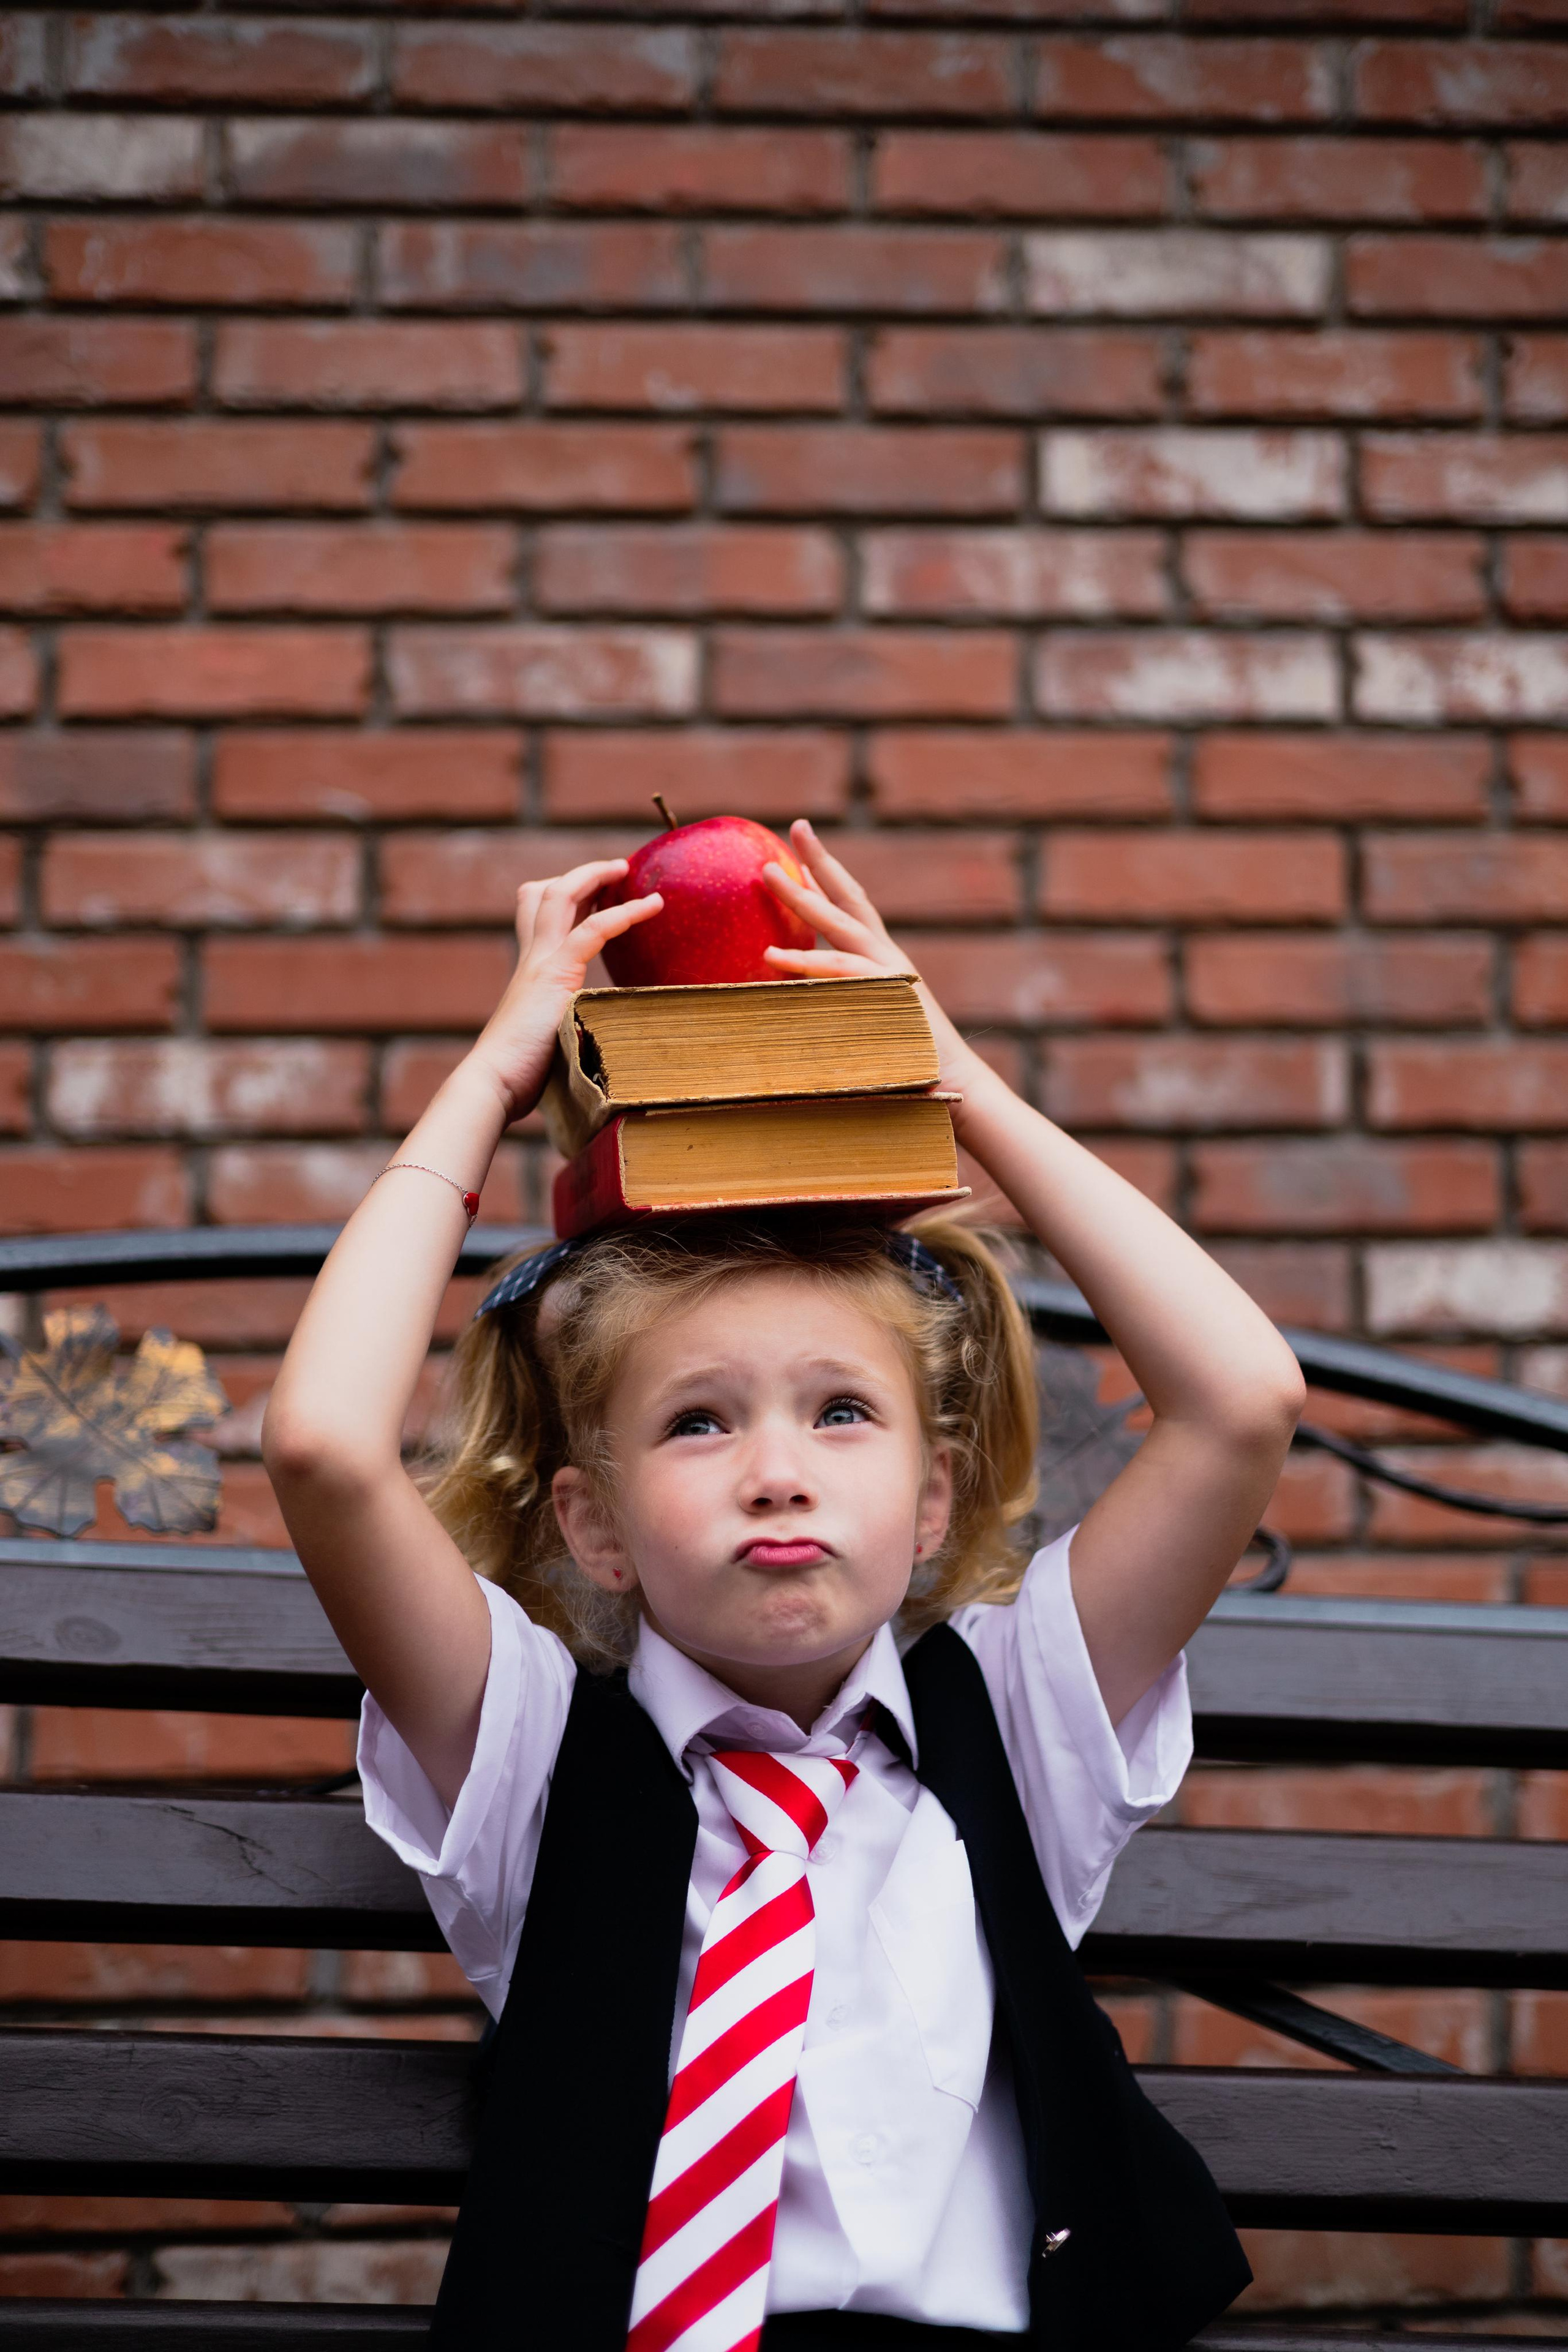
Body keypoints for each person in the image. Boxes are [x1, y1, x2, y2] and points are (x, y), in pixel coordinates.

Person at [261, 821, 1306, 2352]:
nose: (777, 1470)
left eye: (840, 1410)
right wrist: (492, 1077)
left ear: (932, 1489)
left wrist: (958, 1086)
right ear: (594, 1526)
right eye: (697, 1421)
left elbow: (1239, 1400)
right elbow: (324, 1447)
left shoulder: (1016, 1726)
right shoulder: (536, 1760)